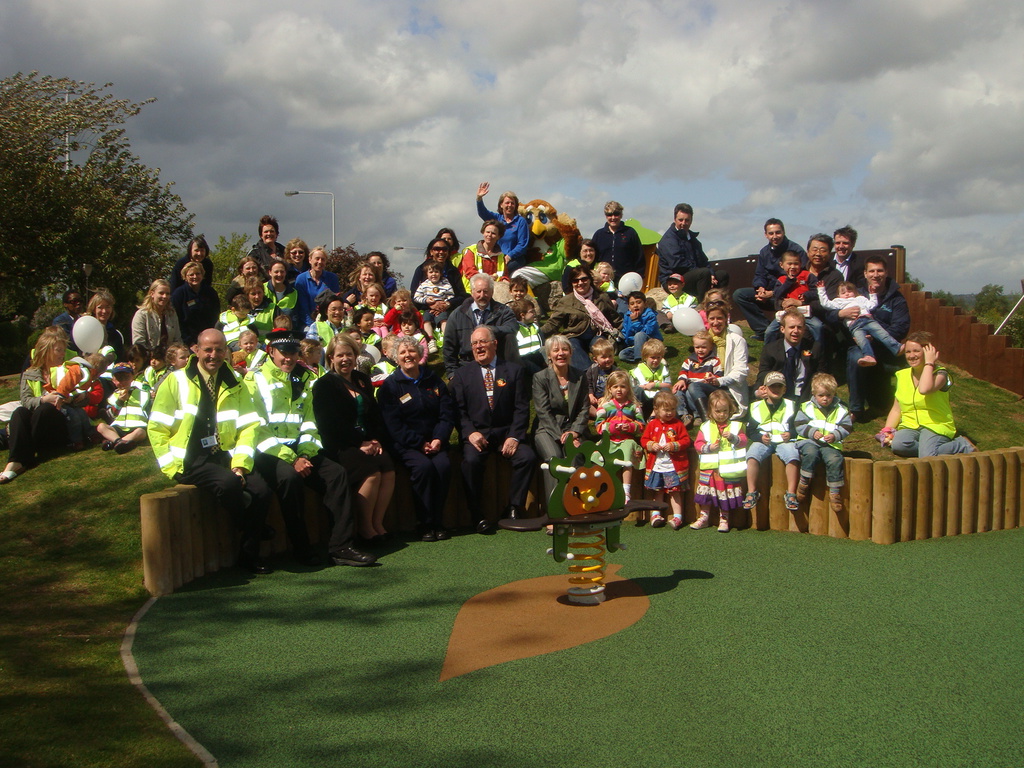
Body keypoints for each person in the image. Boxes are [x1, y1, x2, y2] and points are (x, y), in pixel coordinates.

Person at [147, 329, 273, 574]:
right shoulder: (175, 381)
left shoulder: (235, 381)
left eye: (218, 349)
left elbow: (249, 426)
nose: (213, 355)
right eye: (208, 349)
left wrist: (240, 464)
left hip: (225, 454)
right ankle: (251, 524)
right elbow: (156, 427)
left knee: (262, 490)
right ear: (196, 350)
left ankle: (249, 557)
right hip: (190, 458)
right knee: (228, 484)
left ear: (226, 352)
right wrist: (171, 467)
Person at [246, 329, 375, 567]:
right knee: (290, 480)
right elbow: (257, 428)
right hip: (268, 452)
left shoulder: (304, 379)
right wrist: (291, 459)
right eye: (283, 353)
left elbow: (309, 422)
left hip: (300, 450)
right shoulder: (254, 380)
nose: (289, 358)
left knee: (336, 474)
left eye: (293, 352)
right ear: (270, 352)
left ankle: (341, 547)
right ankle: (302, 548)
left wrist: (304, 454)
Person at [450, 326, 536, 533]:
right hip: (477, 435)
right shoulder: (461, 375)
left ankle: (514, 507)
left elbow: (522, 408)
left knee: (527, 457)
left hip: (507, 433)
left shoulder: (514, 371)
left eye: (483, 342)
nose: (479, 347)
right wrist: (469, 432)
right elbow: (458, 411)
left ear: (494, 344)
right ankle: (476, 514)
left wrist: (515, 436)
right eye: (475, 344)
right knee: (470, 462)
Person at [312, 333, 395, 544]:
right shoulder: (324, 385)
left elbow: (373, 414)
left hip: (366, 440)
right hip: (340, 445)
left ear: (356, 355)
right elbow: (329, 424)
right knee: (371, 471)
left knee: (387, 466)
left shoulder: (362, 379)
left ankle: (378, 524)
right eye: (339, 355)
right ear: (331, 358)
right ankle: (365, 529)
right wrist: (360, 443)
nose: (345, 359)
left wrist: (375, 440)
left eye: (349, 354)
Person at [378, 335, 457, 541]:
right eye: (403, 352)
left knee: (443, 467)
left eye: (411, 351)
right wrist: (419, 444)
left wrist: (439, 439)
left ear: (420, 354)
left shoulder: (434, 380)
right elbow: (393, 425)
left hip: (435, 442)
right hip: (407, 445)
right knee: (423, 469)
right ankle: (425, 523)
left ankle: (438, 521)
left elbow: (446, 414)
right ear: (396, 357)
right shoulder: (391, 386)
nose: (408, 355)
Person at [1, 328, 85, 484]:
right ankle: (15, 462)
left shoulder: (68, 370)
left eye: (64, 350)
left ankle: (23, 457)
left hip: (59, 422)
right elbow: (26, 400)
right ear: (47, 351)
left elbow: (82, 394)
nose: (62, 354)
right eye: (59, 350)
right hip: (37, 420)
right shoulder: (29, 373)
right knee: (19, 412)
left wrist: (70, 398)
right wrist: (43, 399)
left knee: (45, 410)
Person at [877, 332, 976, 457]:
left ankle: (961, 445)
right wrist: (887, 430)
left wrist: (929, 363)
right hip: (910, 425)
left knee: (926, 457)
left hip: (935, 425)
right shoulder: (902, 375)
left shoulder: (941, 374)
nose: (911, 356)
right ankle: (929, 449)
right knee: (898, 446)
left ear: (928, 351)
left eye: (916, 351)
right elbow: (897, 409)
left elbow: (924, 389)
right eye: (908, 352)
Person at [839, 255, 910, 420]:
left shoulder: (896, 299)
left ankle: (907, 406)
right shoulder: (855, 294)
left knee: (907, 364)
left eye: (879, 270)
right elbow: (837, 315)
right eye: (871, 271)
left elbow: (901, 327)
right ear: (865, 273)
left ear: (886, 272)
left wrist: (875, 335)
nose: (875, 274)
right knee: (856, 357)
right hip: (861, 344)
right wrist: (840, 314)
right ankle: (856, 409)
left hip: (886, 346)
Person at [532, 335, 590, 502]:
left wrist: (575, 433)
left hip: (573, 430)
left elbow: (584, 408)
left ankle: (577, 505)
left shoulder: (580, 376)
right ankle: (554, 512)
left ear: (571, 352)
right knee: (555, 458)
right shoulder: (540, 378)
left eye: (564, 349)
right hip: (547, 430)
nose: (560, 353)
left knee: (576, 456)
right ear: (549, 355)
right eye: (555, 350)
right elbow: (543, 412)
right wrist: (561, 436)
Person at [733, 219, 807, 340]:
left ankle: (779, 331)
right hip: (768, 294)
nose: (775, 236)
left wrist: (773, 293)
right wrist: (760, 289)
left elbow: (800, 279)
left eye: (778, 232)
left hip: (788, 296)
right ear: (766, 235)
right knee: (740, 295)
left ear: (783, 232)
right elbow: (759, 274)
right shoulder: (764, 252)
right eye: (771, 233)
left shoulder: (796, 250)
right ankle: (763, 330)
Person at [540, 266, 621, 371]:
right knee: (573, 349)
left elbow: (614, 319)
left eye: (584, 279)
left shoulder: (602, 297)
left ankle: (607, 373)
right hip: (574, 336)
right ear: (571, 283)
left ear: (590, 280)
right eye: (576, 280)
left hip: (597, 334)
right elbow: (553, 323)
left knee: (602, 350)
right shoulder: (566, 301)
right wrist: (537, 334)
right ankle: (589, 375)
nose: (580, 283)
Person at [743, 371, 801, 513]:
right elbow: (750, 431)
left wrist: (791, 434)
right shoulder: (755, 406)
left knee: (793, 456)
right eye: (772, 386)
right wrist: (759, 438)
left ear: (784, 389)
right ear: (764, 389)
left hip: (784, 441)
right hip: (764, 441)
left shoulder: (792, 405)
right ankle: (752, 492)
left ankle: (791, 494)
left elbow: (799, 426)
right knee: (752, 455)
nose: (776, 389)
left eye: (779, 386)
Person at [691, 388, 748, 532]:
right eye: (718, 411)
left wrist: (734, 438)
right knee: (706, 496)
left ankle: (724, 518)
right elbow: (697, 444)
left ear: (730, 410)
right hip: (709, 469)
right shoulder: (705, 426)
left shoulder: (735, 426)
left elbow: (743, 441)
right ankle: (704, 517)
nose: (722, 415)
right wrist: (708, 448)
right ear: (710, 411)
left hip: (727, 470)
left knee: (725, 496)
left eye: (725, 411)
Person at [795, 373, 852, 514]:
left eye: (829, 395)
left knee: (834, 459)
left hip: (830, 444)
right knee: (811, 453)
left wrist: (835, 435)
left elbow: (847, 427)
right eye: (821, 395)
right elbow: (799, 424)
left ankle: (834, 492)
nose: (825, 399)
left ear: (834, 394)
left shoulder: (841, 410)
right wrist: (812, 432)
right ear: (814, 394)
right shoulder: (806, 407)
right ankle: (804, 481)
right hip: (809, 441)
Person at [443, 273, 519, 378]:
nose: (482, 295)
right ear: (472, 292)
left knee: (510, 336)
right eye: (479, 291)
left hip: (497, 363)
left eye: (486, 291)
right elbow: (449, 346)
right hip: (468, 364)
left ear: (492, 292)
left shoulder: (503, 311)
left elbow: (513, 327)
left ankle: (514, 376)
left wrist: (490, 330)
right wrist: (452, 373)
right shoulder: (457, 314)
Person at [816, 281, 904, 366]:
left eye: (849, 291)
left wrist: (872, 294)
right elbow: (825, 304)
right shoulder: (838, 301)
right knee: (862, 341)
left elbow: (872, 305)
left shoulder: (860, 299)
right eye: (843, 292)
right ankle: (869, 356)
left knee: (882, 334)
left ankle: (897, 348)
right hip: (855, 325)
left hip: (868, 320)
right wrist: (821, 289)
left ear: (855, 292)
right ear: (838, 295)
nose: (847, 294)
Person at [641, 391, 691, 530]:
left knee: (674, 491)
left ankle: (678, 516)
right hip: (657, 465)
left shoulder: (678, 424)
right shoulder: (652, 425)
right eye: (666, 410)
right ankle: (655, 515)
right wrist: (651, 445)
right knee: (658, 490)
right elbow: (644, 440)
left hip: (673, 466)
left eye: (672, 410)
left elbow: (686, 440)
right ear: (656, 410)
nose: (670, 413)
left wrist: (674, 445)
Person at [594, 370, 644, 505]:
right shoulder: (605, 406)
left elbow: (641, 425)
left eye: (622, 386)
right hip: (609, 440)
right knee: (600, 457)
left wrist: (631, 427)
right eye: (615, 387)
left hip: (626, 440)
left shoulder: (634, 406)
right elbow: (598, 426)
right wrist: (611, 427)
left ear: (628, 388)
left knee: (628, 451)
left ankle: (626, 490)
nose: (619, 390)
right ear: (609, 389)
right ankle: (604, 489)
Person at [656, 203, 725, 299]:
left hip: (691, 275)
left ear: (691, 221)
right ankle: (703, 307)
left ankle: (718, 305)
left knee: (722, 275)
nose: (683, 223)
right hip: (673, 279)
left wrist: (712, 274)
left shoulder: (692, 239)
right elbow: (677, 264)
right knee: (704, 273)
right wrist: (704, 272)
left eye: (687, 220)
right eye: (680, 220)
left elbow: (704, 261)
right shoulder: (668, 240)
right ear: (674, 219)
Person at [755, 308, 823, 403]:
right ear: (782, 329)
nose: (796, 331)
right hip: (779, 397)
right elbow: (763, 373)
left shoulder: (815, 348)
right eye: (791, 327)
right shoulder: (770, 349)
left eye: (799, 327)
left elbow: (821, 375)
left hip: (806, 398)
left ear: (804, 329)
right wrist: (757, 392)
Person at [704, 303, 749, 418]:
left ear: (726, 319)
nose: (716, 322)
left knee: (695, 388)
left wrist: (720, 381)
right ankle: (703, 417)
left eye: (719, 318)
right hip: (706, 382)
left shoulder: (737, 340)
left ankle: (705, 418)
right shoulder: (703, 340)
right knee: (687, 389)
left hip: (729, 386)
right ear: (707, 319)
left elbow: (741, 371)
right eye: (712, 318)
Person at [475, 182, 530, 273]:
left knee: (501, 273)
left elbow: (522, 244)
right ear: (501, 205)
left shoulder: (520, 221)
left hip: (515, 259)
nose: (510, 205)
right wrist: (479, 198)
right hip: (498, 256)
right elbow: (483, 213)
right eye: (507, 203)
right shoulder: (497, 219)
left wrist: (509, 256)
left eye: (512, 203)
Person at [96, 363, 150, 455]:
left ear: (132, 377)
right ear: (113, 380)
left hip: (136, 426)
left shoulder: (143, 394)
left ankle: (115, 442)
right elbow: (111, 415)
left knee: (140, 432)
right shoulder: (113, 397)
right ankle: (119, 442)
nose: (123, 382)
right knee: (101, 426)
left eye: (126, 378)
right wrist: (120, 402)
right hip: (118, 427)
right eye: (119, 379)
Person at [672, 330, 724, 423]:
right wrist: (682, 380)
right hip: (689, 384)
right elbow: (683, 371)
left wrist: (712, 379)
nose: (700, 350)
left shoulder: (714, 361)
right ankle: (683, 414)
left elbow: (719, 374)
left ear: (711, 347)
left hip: (704, 387)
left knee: (689, 392)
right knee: (677, 391)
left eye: (704, 347)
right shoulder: (690, 360)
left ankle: (698, 414)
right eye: (697, 347)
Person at [409, 238, 469, 313]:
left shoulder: (453, 271)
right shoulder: (421, 270)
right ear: (431, 252)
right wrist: (430, 305)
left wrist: (447, 304)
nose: (441, 252)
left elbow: (462, 296)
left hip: (448, 313)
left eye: (444, 249)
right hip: (425, 313)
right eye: (437, 249)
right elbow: (413, 296)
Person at [592, 200, 644, 279]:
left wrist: (639, 277)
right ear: (606, 216)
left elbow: (639, 257)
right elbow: (593, 259)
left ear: (621, 215)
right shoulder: (599, 235)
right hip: (603, 280)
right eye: (609, 215)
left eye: (616, 214)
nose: (613, 217)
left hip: (626, 279)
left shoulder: (630, 233)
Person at [460, 220, 510, 298]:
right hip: (470, 294)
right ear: (483, 233)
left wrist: (505, 280)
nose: (489, 235)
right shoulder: (471, 250)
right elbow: (470, 272)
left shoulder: (501, 256)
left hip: (494, 295)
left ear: (498, 236)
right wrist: (487, 278)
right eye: (487, 232)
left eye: (493, 233)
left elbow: (504, 275)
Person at [294, 247, 340, 331]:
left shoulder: (332, 278)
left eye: (323, 259)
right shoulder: (301, 279)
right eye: (317, 259)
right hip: (307, 323)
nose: (320, 262)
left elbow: (335, 302)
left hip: (328, 321)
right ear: (310, 260)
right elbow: (302, 307)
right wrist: (314, 325)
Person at [131, 278, 182, 350]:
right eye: (161, 293)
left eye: (167, 294)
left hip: (169, 358)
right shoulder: (141, 315)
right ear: (152, 294)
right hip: (148, 357)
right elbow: (139, 344)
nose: (164, 296)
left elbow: (178, 340)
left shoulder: (172, 314)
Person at [630, 338, 672, 418]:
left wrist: (654, 385)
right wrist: (644, 387)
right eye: (652, 357)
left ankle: (655, 416)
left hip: (658, 398)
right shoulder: (637, 370)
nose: (655, 360)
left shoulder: (664, 369)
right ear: (645, 357)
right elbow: (633, 387)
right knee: (637, 390)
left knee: (666, 391)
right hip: (643, 399)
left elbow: (668, 385)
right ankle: (637, 415)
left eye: (658, 357)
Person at [413, 262, 455, 343]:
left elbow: (451, 295)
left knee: (444, 320)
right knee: (426, 320)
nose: (434, 274)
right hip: (429, 309)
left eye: (436, 272)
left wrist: (445, 304)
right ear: (427, 274)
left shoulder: (445, 283)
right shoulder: (424, 285)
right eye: (431, 272)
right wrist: (426, 301)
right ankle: (430, 339)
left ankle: (446, 338)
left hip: (442, 309)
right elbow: (416, 297)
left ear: (440, 273)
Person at [84, 288, 126, 363]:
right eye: (100, 307)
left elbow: (119, 359)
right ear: (94, 309)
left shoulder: (115, 335)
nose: (104, 311)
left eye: (107, 307)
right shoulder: (86, 330)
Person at [619, 291, 662, 363]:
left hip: (651, 343)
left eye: (638, 302)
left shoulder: (650, 315)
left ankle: (640, 360)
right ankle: (646, 357)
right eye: (632, 304)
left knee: (639, 335)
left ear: (645, 304)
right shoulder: (628, 316)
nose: (635, 305)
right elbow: (626, 331)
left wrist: (635, 321)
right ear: (629, 307)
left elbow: (647, 331)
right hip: (636, 345)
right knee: (622, 355)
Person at [584, 337, 620, 419]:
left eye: (610, 356)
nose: (608, 359)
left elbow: (618, 387)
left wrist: (607, 397)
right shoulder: (592, 370)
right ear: (595, 359)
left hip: (610, 399)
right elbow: (588, 383)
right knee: (585, 404)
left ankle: (605, 414)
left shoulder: (616, 371)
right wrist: (590, 394)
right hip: (595, 400)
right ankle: (598, 414)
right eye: (604, 357)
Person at [511, 298, 545, 375]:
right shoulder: (515, 329)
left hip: (538, 358)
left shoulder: (535, 327)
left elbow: (542, 343)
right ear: (522, 315)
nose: (534, 314)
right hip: (523, 361)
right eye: (531, 312)